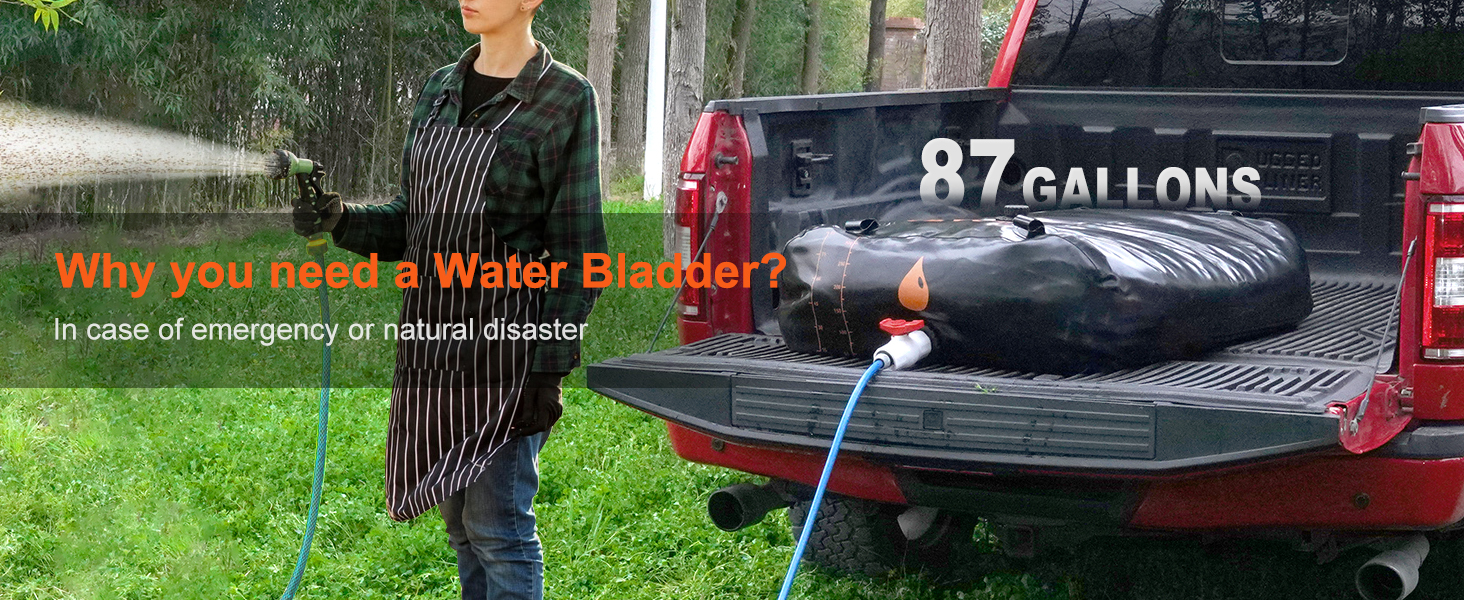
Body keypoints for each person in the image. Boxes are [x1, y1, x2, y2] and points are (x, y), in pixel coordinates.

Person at [291, 0, 606, 598]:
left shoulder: (565, 98)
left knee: (498, 527)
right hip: (432, 344)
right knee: (461, 525)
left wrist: (545, 372)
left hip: (507, 351)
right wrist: (341, 221)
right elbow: (415, 223)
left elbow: (581, 254)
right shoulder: (440, 89)